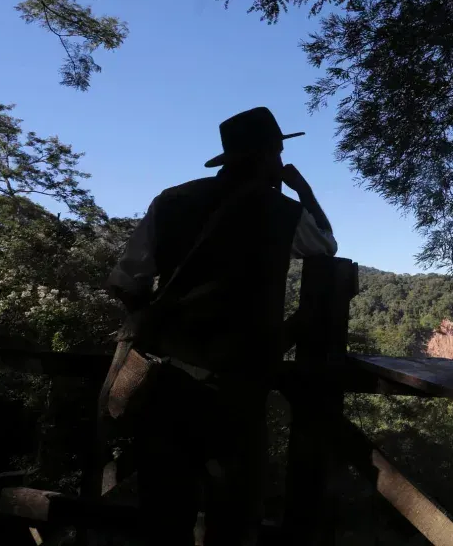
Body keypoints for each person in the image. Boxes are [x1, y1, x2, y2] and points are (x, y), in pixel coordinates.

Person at [104, 107, 336, 546]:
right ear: (268, 156)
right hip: (236, 390)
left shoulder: (170, 201)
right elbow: (325, 245)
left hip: (165, 380)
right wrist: (302, 187)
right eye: (279, 151)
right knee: (233, 518)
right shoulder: (283, 210)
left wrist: (159, 327)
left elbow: (125, 281)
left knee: (164, 513)